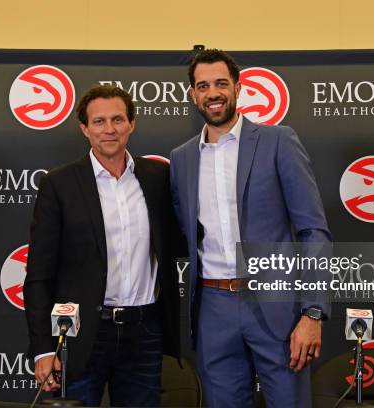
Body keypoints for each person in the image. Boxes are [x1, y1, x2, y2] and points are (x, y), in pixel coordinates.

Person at [170, 49, 331, 408]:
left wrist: (312, 312)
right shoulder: (181, 158)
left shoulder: (278, 141)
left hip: (278, 305)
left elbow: (313, 231)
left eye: (221, 83)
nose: (213, 93)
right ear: (193, 95)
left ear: (238, 87)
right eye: (203, 85)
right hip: (213, 308)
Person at [24, 84, 181, 407]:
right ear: (84, 128)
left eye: (118, 120)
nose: (109, 130)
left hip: (145, 332)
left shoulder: (159, 176)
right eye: (99, 122)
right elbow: (39, 273)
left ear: (132, 124)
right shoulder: (60, 184)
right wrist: (43, 348)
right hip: (83, 335)